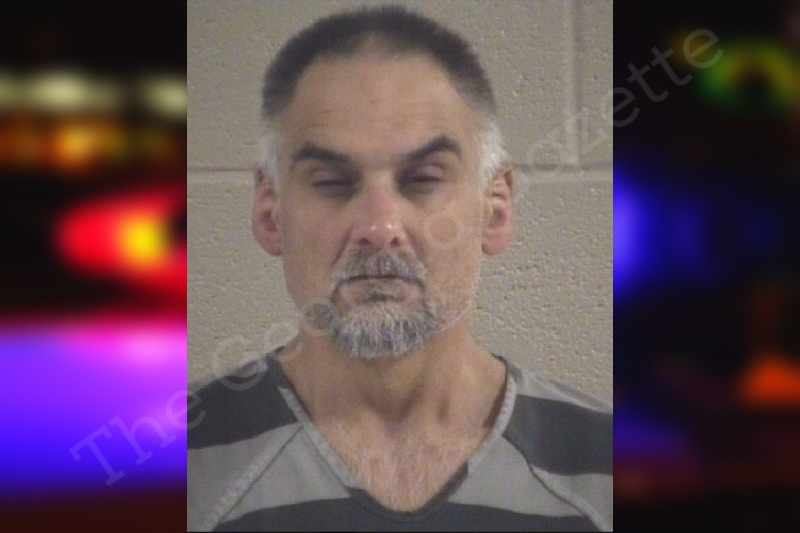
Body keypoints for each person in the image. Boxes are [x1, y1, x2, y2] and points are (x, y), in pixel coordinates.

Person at [187, 5, 612, 531]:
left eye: (424, 179)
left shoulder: (606, 471)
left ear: (495, 210)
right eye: (331, 182)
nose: (379, 227)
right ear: (270, 211)